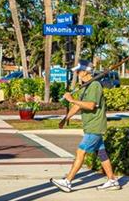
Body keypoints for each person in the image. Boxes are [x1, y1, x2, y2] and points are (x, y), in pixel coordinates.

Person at [50, 61, 120, 192]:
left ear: (85, 71)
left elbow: (91, 105)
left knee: (80, 151)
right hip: (92, 126)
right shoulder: (87, 86)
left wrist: (71, 99)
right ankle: (112, 180)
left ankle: (67, 181)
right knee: (102, 153)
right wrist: (66, 119)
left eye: (78, 71)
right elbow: (78, 105)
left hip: (95, 125)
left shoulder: (95, 85)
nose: (77, 74)